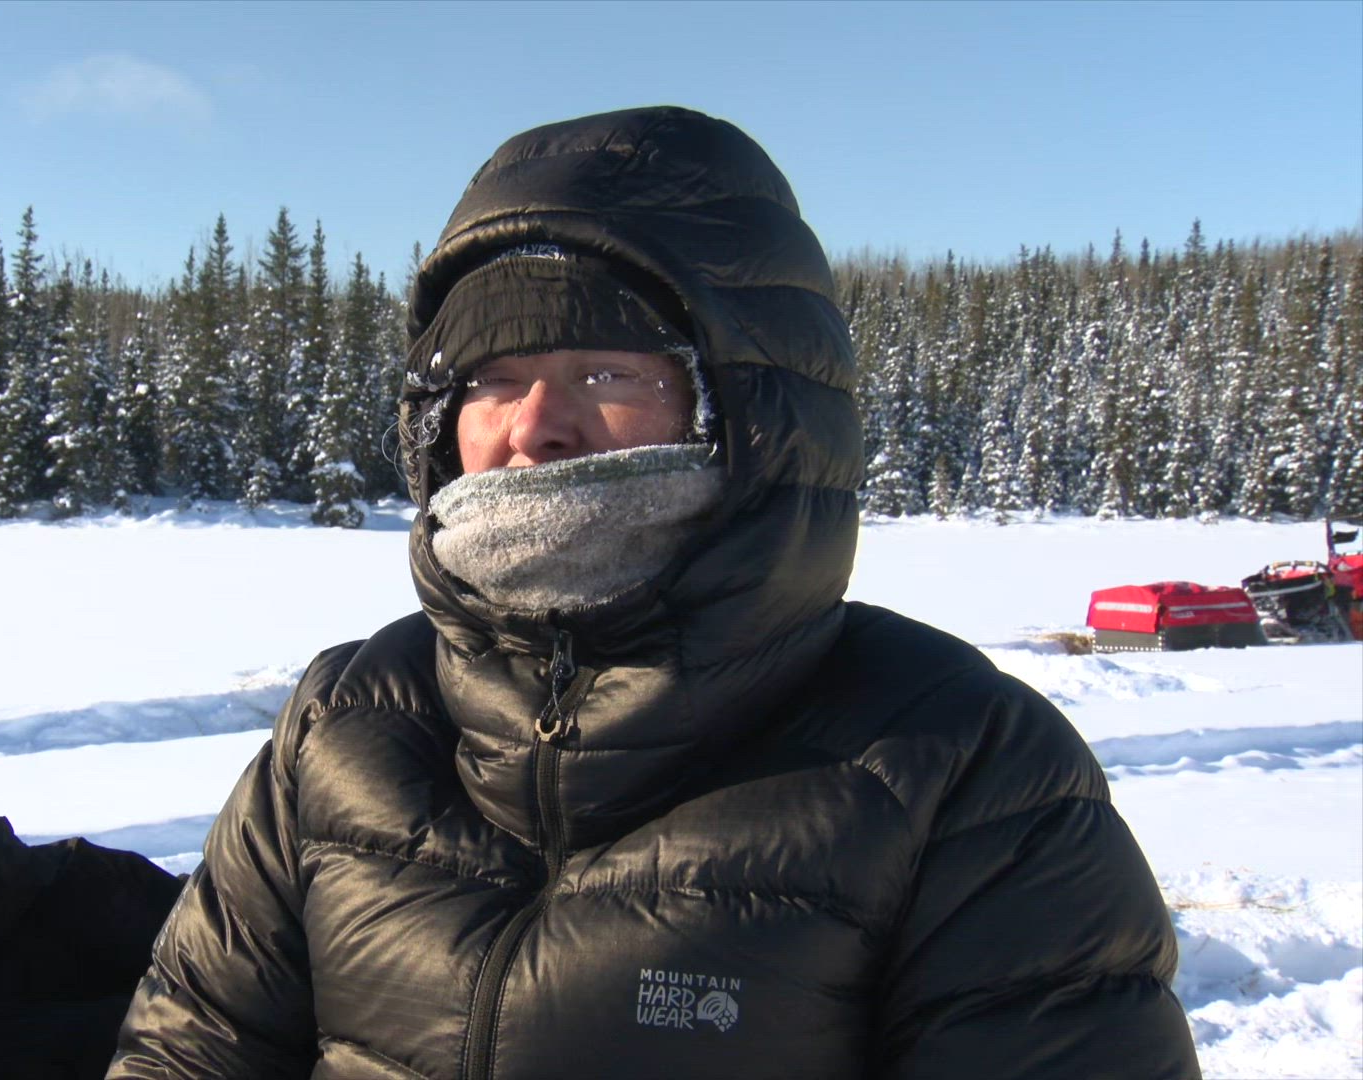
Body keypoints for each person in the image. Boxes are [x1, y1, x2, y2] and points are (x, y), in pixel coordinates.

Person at [109, 106, 1200, 1078]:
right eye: (492, 379)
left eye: (608, 373)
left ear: (749, 415)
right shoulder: (347, 723)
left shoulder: (963, 767)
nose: (534, 427)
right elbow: (191, 1047)